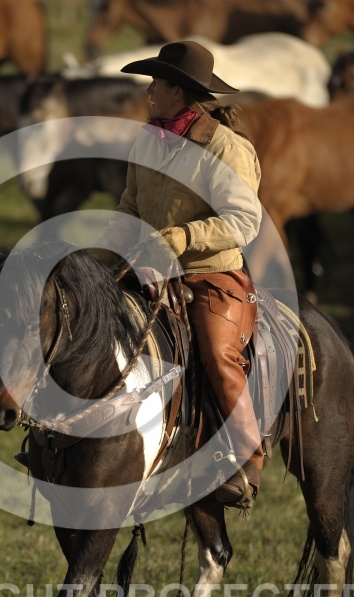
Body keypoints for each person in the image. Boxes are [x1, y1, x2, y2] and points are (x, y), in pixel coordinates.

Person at [97, 40, 265, 507]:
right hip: (147, 269)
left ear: (179, 91)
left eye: (157, 83)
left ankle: (247, 461)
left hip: (209, 275)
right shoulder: (147, 140)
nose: (149, 91)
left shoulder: (226, 148)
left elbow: (244, 220)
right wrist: (99, 257)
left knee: (217, 353)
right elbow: (129, 207)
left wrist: (184, 237)